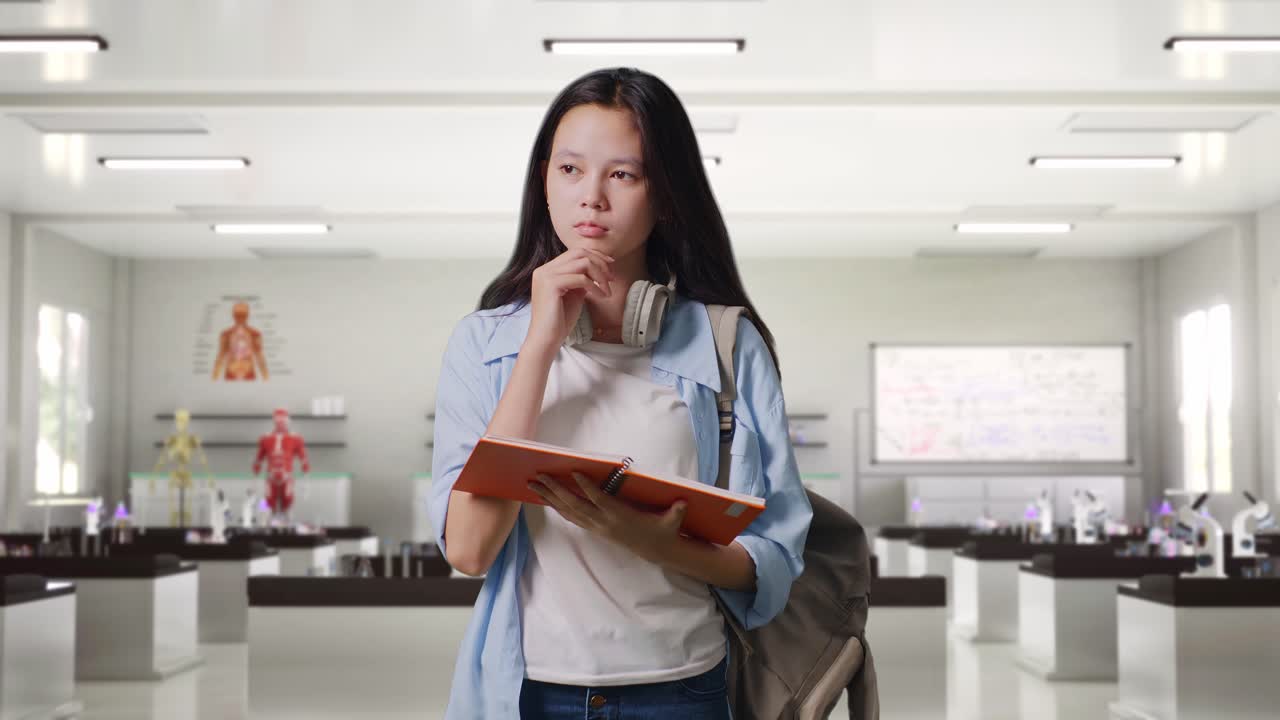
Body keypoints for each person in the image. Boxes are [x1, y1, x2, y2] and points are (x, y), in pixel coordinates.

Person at [429, 67, 813, 719]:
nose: (592, 200)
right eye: (571, 170)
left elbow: (773, 557)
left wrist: (654, 541)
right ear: (543, 179)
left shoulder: (725, 346)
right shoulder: (485, 344)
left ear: (664, 195)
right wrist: (541, 342)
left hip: (683, 686)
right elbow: (469, 549)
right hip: (530, 691)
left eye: (624, 175)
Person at [211, 301, 269, 381]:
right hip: (231, 374)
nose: (240, 318)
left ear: (247, 315)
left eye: (243, 315)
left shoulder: (255, 334)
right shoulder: (226, 334)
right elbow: (221, 356)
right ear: (233, 315)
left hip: (248, 374)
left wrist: (266, 377)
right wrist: (214, 377)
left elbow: (259, 357)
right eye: (237, 315)